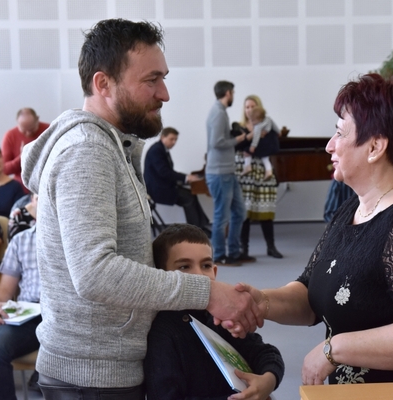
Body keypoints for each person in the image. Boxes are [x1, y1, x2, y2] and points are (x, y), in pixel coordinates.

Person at [20, 19, 258, 398]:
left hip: (103, 368)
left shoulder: (109, 146)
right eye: (151, 80)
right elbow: (95, 274)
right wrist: (207, 292)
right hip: (90, 378)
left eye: (163, 78)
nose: (164, 93)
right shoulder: (88, 150)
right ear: (103, 83)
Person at [228, 74, 393, 384]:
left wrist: (334, 349)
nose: (329, 145)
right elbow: (312, 292)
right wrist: (261, 301)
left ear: (375, 147)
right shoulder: (353, 207)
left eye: (340, 133)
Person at [144, 224, 284, 400]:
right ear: (162, 277)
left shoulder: (222, 318)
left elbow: (265, 353)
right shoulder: (163, 332)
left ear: (215, 271)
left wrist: (268, 380)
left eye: (206, 265)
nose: (199, 275)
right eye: (184, 267)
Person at [0, 224, 41, 400]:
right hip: (31, 314)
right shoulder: (21, 240)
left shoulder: (79, 236)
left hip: (68, 314)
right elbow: (5, 289)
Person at [235, 95, 283, 260]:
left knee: (265, 208)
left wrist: (256, 145)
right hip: (244, 171)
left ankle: (271, 247)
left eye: (252, 107)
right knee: (244, 211)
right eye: (247, 107)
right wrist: (251, 141)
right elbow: (236, 146)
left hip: (263, 170)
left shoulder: (266, 126)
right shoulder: (238, 127)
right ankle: (244, 249)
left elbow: (274, 146)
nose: (249, 110)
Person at [206, 81, 248, 266]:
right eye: (233, 93)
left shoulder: (221, 112)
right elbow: (216, 142)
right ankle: (219, 255)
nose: (234, 96)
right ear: (228, 93)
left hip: (227, 172)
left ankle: (234, 252)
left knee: (239, 212)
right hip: (219, 173)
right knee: (221, 217)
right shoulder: (218, 113)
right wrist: (238, 139)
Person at [143, 127, 210, 234]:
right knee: (188, 198)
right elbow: (164, 172)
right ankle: (195, 231)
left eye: (175, 139)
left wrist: (185, 178)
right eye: (171, 139)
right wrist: (186, 178)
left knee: (191, 195)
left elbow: (167, 171)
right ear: (163, 137)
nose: (174, 142)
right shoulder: (156, 150)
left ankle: (200, 227)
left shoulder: (161, 149)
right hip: (158, 190)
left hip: (163, 186)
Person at [2, 108, 49, 191]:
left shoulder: (48, 130)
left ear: (37, 119)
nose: (28, 133)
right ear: (17, 123)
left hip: (46, 184)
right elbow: (5, 169)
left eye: (31, 129)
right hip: (21, 188)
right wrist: (21, 157)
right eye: (24, 130)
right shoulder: (10, 136)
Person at [240, 106, 279, 180]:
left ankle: (247, 167)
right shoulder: (268, 119)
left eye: (253, 120)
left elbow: (256, 137)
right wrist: (279, 132)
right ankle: (269, 171)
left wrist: (253, 146)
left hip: (262, 144)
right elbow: (275, 126)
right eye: (247, 107)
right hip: (272, 145)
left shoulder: (258, 127)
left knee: (246, 151)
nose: (252, 122)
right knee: (265, 157)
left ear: (260, 119)